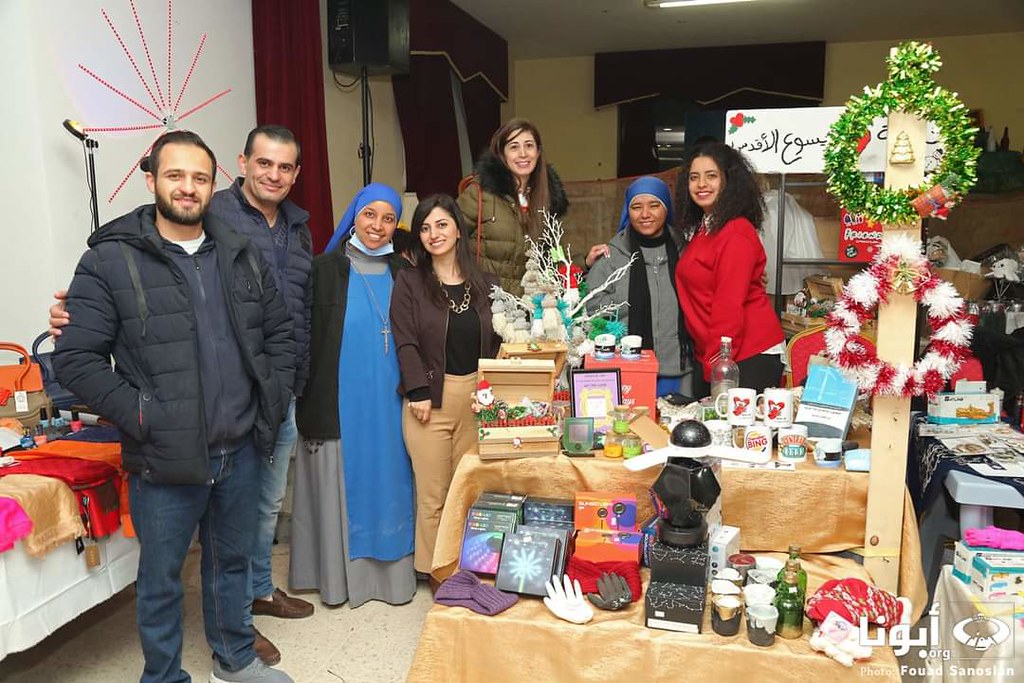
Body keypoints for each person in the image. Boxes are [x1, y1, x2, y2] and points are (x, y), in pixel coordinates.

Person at [49, 125, 315, 665]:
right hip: (164, 456)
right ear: (151, 180)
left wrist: (271, 395)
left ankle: (235, 660)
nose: (188, 188)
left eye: (199, 177)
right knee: (163, 579)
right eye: (175, 175)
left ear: (214, 181)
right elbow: (76, 358)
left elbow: (279, 334)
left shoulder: (239, 253)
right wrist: (142, 414)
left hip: (240, 447)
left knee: (231, 563)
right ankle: (164, 675)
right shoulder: (111, 259)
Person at [290, 183, 416, 607]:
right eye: (369, 215)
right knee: (346, 481)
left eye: (387, 219)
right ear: (354, 216)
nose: (377, 226)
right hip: (340, 398)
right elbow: (305, 338)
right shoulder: (324, 270)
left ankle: (395, 577)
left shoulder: (406, 272)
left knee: (392, 479)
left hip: (392, 400)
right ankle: (340, 580)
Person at [390, 194, 502, 577]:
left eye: (441, 224)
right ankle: (438, 572)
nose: (433, 234)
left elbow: (500, 341)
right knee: (434, 496)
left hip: (477, 400)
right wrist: (418, 390)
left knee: (466, 492)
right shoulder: (409, 282)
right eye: (424, 227)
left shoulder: (486, 283)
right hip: (431, 400)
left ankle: (465, 566)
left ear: (457, 228)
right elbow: (405, 340)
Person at [673, 141, 785, 396]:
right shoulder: (706, 228)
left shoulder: (735, 232)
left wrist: (716, 364)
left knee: (736, 435)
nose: (701, 184)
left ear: (729, 182)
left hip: (747, 354)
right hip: (721, 353)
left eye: (711, 176)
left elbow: (728, 307)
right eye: (694, 177)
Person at [583, 176, 694, 397]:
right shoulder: (611, 256)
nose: (645, 214)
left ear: (666, 208)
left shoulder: (686, 252)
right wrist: (626, 306)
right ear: (628, 210)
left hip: (679, 367)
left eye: (654, 205)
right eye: (636, 207)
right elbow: (590, 309)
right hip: (627, 366)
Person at [457, 118, 569, 295]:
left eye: (529, 146)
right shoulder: (479, 193)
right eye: (514, 147)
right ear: (502, 154)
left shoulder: (547, 199)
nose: (523, 154)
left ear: (538, 152)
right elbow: (451, 241)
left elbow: (555, 255)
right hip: (486, 305)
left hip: (530, 309)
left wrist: (585, 261)